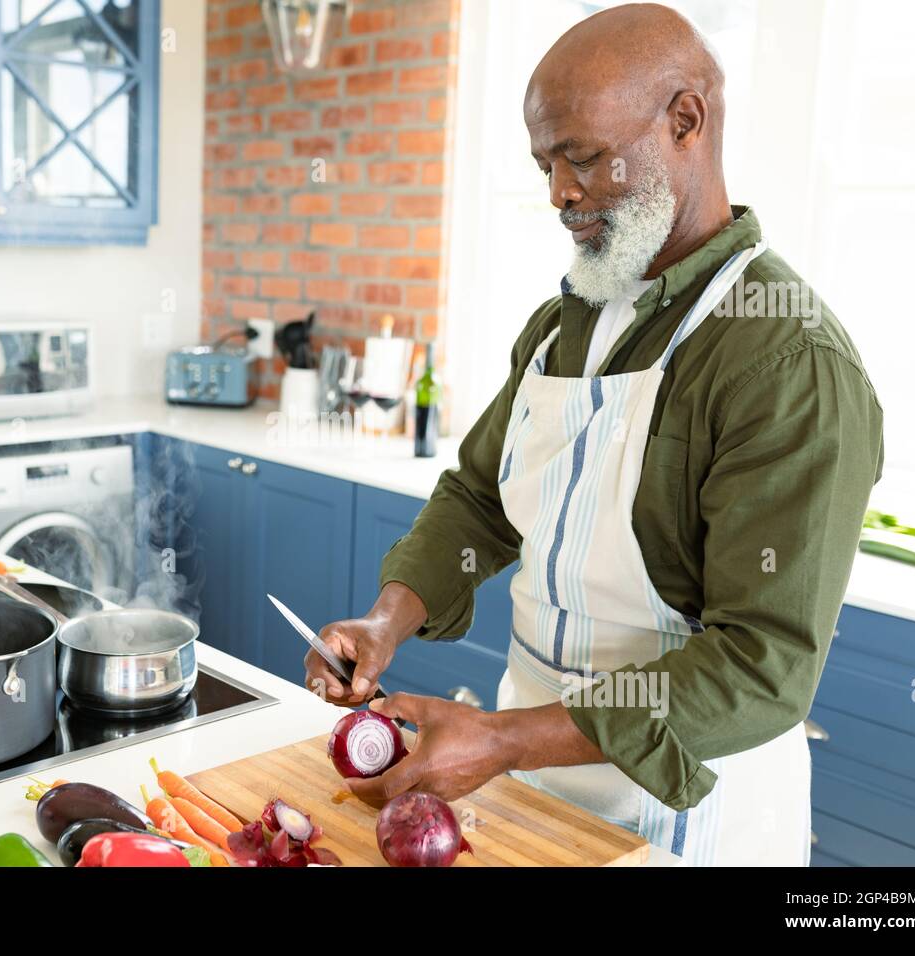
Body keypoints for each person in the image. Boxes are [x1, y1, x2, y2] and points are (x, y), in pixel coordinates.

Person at [306, 3, 884, 865]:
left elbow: (762, 663)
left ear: (686, 120)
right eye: (546, 164)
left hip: (686, 811)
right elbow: (479, 501)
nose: (559, 194)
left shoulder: (786, 358)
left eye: (581, 157)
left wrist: (503, 739)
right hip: (531, 778)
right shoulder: (563, 323)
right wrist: (389, 620)